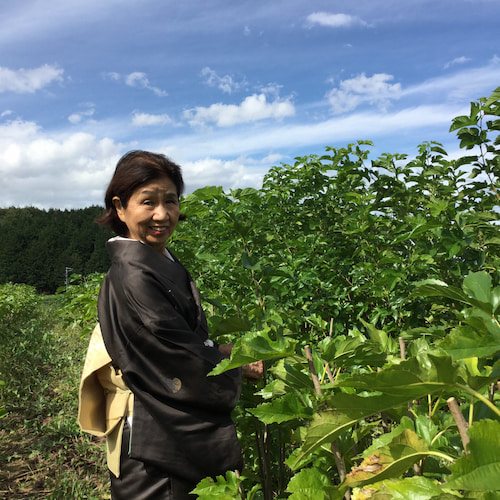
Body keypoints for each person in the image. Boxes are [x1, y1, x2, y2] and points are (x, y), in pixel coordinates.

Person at [78, 150, 263, 499]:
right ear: (120, 207)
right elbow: (173, 356)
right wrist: (236, 367)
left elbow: (172, 340)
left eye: (171, 201)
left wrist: (220, 349)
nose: (162, 214)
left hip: (158, 426)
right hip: (154, 438)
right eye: (148, 202)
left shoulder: (155, 261)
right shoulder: (133, 274)